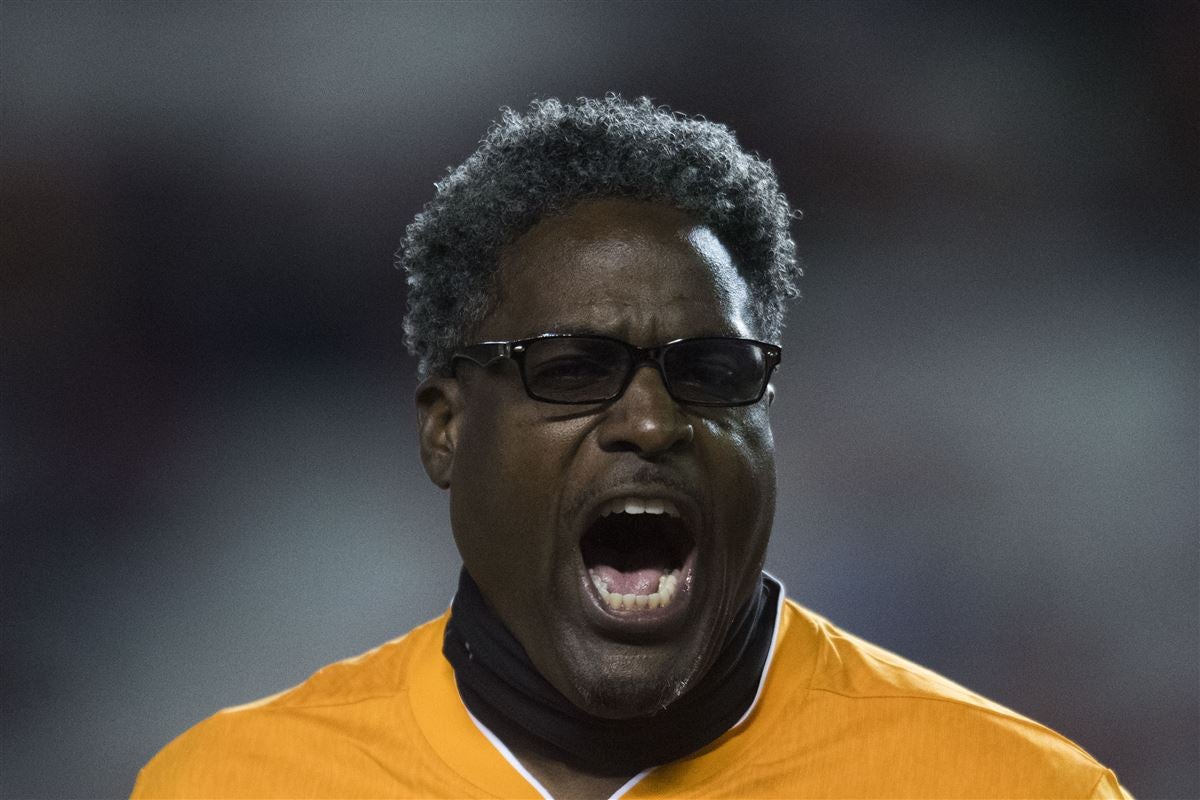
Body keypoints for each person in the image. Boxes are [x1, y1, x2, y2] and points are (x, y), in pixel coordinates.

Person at [133, 96, 1129, 799]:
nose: (652, 421)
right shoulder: (235, 782)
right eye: (569, 368)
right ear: (445, 426)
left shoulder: (1015, 786)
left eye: (710, 370)